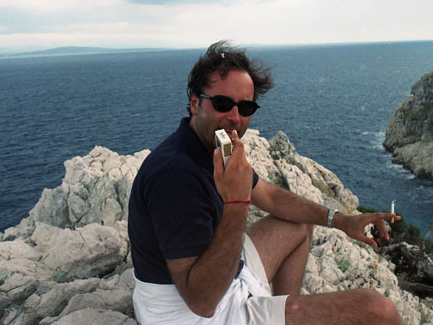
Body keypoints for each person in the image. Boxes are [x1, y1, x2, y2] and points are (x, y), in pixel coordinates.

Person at [128, 41, 403, 325]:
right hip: (190, 314)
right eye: (222, 104)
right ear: (195, 103)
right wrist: (236, 203)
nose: (235, 118)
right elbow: (203, 303)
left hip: (221, 283)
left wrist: (341, 220)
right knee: (378, 310)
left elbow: (270, 197)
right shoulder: (176, 176)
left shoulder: (211, 148)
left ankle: (277, 315)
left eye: (245, 107)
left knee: (297, 223)